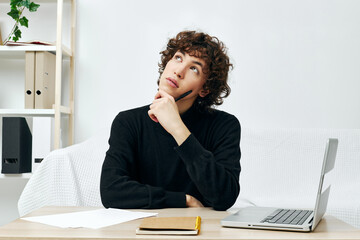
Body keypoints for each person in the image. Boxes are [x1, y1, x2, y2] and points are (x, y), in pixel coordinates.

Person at [100, 30, 241, 211]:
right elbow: (111, 191)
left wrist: (177, 128)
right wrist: (184, 200)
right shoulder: (128, 122)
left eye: (194, 68)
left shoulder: (224, 126)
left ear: (204, 89)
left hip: (202, 229)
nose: (179, 71)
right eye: (178, 58)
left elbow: (224, 196)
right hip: (140, 229)